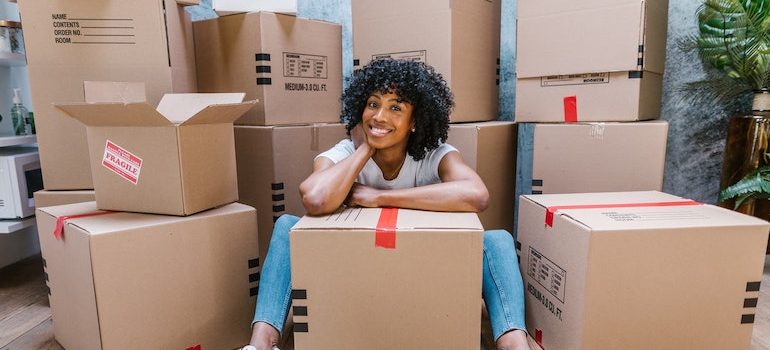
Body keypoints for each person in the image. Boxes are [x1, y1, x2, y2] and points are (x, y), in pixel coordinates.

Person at [244, 59, 531, 350]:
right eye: (373, 104)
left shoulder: (435, 155)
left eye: (396, 108)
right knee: (286, 227)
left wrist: (379, 197)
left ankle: (514, 344)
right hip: (357, 270)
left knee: (497, 241)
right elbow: (315, 198)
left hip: (419, 270)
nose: (380, 116)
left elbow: (477, 195)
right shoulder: (345, 152)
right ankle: (261, 344)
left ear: (415, 121)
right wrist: (366, 147)